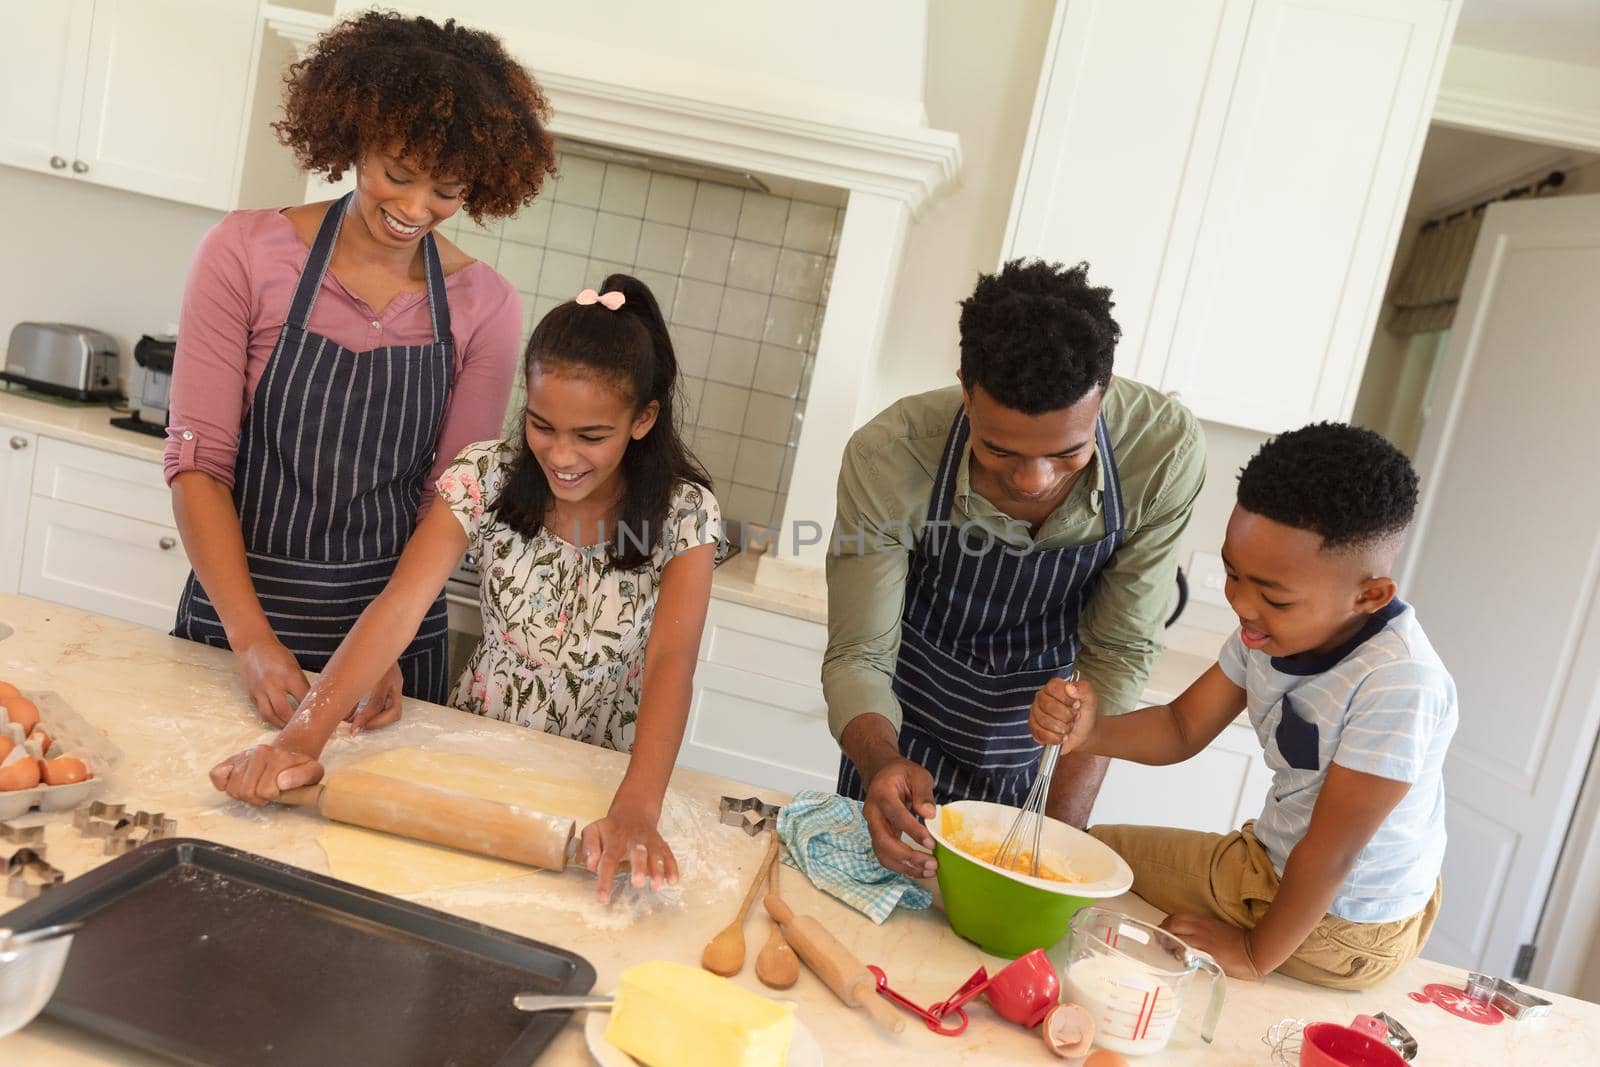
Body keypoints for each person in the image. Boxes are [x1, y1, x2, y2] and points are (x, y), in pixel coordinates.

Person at [210, 275, 723, 902]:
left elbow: (672, 663)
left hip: (604, 773)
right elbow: (401, 605)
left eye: (591, 436)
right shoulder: (485, 475)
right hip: (476, 743)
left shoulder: (684, 514)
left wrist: (638, 809)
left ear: (642, 419)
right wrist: (299, 739)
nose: (560, 455)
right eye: (542, 425)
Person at [166, 12, 556, 724]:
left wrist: (379, 651)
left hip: (393, 650)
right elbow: (199, 466)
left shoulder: (486, 306)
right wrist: (251, 640)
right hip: (234, 629)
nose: (414, 207)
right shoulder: (243, 253)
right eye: (397, 174)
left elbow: (450, 504)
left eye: (447, 190)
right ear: (354, 138)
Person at [1031, 423, 1455, 990]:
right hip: (1270, 862)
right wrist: (1090, 731)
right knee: (1084, 858)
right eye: (1232, 573)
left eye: (1273, 597)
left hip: (1346, 923)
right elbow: (1181, 727)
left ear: (1370, 596)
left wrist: (1254, 955)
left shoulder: (1398, 683)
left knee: (1095, 889)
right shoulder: (1268, 634)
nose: (1241, 604)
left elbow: (1331, 854)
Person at [824, 259, 1206, 879]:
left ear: (1103, 395)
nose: (1034, 480)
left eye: (1068, 452)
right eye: (998, 449)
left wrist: (1057, 838)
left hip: (1049, 739)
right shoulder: (890, 456)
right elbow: (860, 654)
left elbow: (1117, 650)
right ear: (965, 391)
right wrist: (880, 763)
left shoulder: (1161, 453)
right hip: (904, 724)